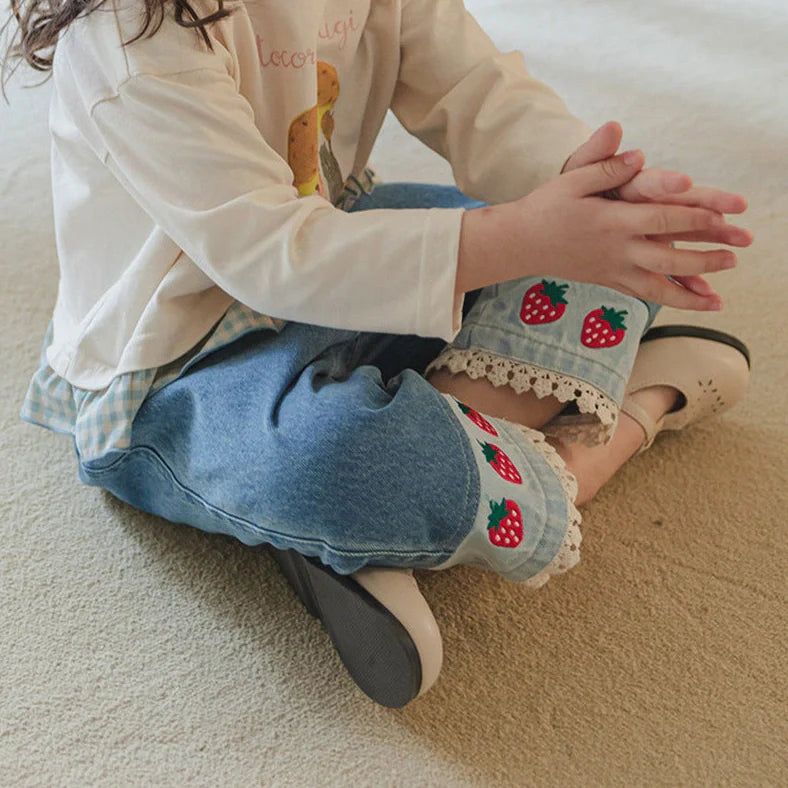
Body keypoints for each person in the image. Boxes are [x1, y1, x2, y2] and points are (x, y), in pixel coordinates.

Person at [3, 0, 753, 707]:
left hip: (344, 240)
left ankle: (425, 494)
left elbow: (475, 89)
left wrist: (590, 189)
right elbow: (271, 252)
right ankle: (612, 430)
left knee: (609, 263)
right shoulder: (128, 33)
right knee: (338, 462)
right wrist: (530, 235)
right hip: (180, 356)